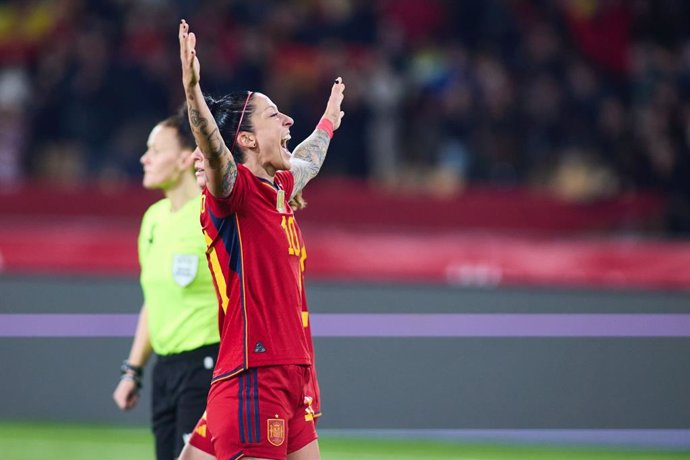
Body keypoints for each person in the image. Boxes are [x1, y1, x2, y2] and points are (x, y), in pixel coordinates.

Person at [178, 18, 344, 460]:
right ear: (247, 138)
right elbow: (214, 151)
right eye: (275, 115)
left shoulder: (279, 190)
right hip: (254, 376)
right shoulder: (235, 195)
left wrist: (327, 124)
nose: (289, 119)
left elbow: (306, 163)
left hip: (292, 376)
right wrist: (194, 92)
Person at [112, 107, 220, 460]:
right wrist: (133, 371)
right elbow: (153, 302)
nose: (145, 158)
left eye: (156, 150)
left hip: (207, 364)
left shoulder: (213, 214)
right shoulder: (153, 220)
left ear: (186, 158)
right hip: (165, 372)